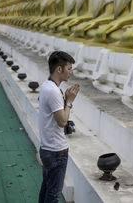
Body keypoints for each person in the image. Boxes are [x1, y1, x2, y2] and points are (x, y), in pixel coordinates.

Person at [38, 51, 80, 203]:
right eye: (69, 68)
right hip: (56, 151)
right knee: (53, 194)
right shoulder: (53, 91)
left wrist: (65, 99)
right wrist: (69, 101)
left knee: (46, 188)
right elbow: (62, 121)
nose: (71, 72)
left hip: (47, 148)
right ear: (59, 69)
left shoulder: (46, 86)